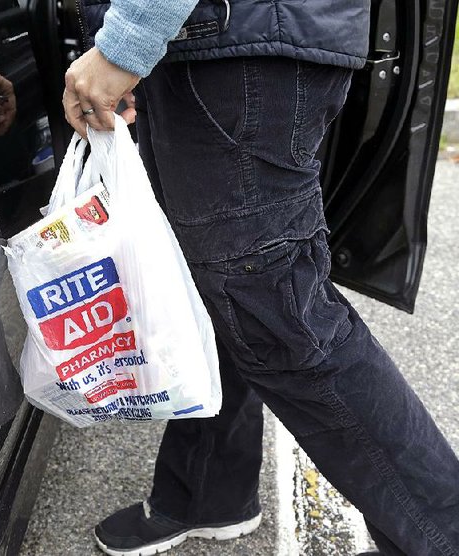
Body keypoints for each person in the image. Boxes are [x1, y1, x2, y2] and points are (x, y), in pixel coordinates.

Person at [61, 1, 459, 555]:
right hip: (222, 39)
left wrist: (127, 39)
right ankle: (208, 490)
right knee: (226, 290)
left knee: (278, 314)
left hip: (232, 47)